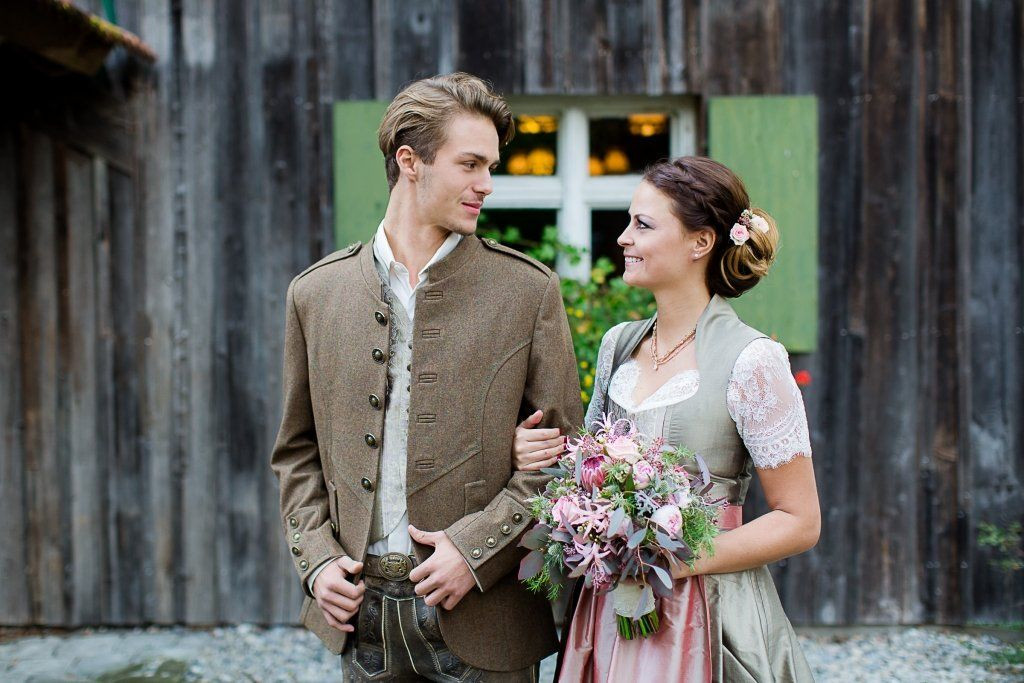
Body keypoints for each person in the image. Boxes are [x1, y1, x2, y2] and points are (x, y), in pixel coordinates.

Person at [271, 72, 583, 681]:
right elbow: (296, 452)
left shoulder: (527, 290)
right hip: (361, 621)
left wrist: (475, 550)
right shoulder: (316, 293)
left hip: (485, 617)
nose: (486, 185)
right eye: (471, 164)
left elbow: (562, 455)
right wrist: (316, 561)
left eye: (491, 166)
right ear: (409, 161)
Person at [514, 156, 819, 682]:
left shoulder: (753, 360)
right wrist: (533, 455)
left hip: (707, 611)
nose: (622, 239)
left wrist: (676, 555)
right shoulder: (618, 344)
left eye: (643, 224)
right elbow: (586, 471)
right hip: (610, 605)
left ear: (700, 242)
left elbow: (800, 521)